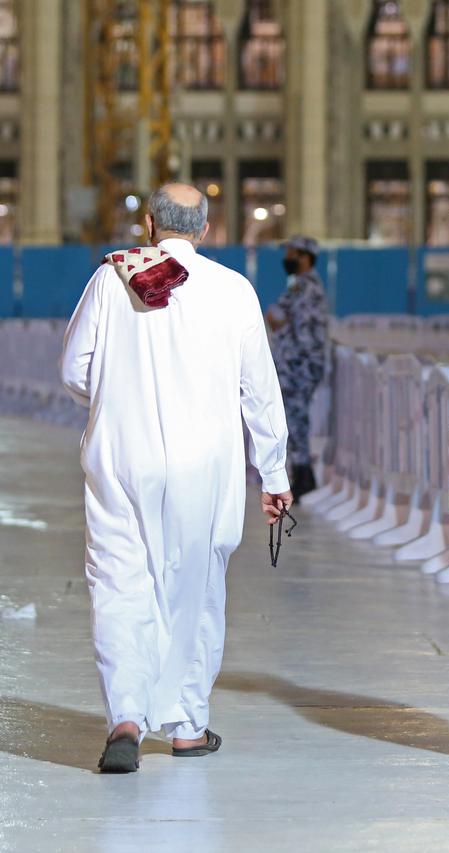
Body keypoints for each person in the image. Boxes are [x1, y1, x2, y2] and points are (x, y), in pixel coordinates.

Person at [60, 183, 292, 773]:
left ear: (149, 227)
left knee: (119, 584)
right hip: (203, 465)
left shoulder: (113, 278)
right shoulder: (234, 289)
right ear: (205, 228)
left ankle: (127, 719)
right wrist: (273, 472)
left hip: (119, 457)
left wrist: (119, 399)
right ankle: (188, 726)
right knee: (194, 588)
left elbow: (74, 369)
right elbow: (259, 391)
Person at [266, 235, 328, 501]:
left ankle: (304, 476)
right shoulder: (300, 285)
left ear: (305, 257)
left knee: (296, 419)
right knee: (295, 419)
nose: (287, 258)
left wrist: (278, 320)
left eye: (292, 253)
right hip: (297, 363)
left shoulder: (305, 287)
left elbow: (279, 319)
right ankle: (302, 474)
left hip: (298, 364)